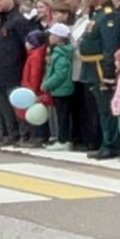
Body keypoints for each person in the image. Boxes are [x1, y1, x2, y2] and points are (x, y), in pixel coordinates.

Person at [78, 0, 120, 160]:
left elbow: (109, 47)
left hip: (100, 66)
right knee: (101, 108)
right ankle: (105, 141)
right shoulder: (98, 14)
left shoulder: (109, 16)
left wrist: (108, 73)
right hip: (91, 66)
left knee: (107, 108)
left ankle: (111, 144)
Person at [0, 0, 37, 146]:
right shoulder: (0, 21)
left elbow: (26, 46)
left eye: (0, 0)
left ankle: (24, 133)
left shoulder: (18, 21)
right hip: (0, 69)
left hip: (15, 69)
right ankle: (11, 133)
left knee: (17, 104)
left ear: (10, 0)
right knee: (4, 106)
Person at [43, 23, 76, 151]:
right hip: (58, 90)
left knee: (63, 117)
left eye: (52, 35)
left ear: (59, 38)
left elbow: (60, 75)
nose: (50, 37)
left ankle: (64, 140)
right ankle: (63, 139)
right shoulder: (57, 53)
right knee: (61, 115)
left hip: (62, 90)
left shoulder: (61, 55)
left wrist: (47, 84)